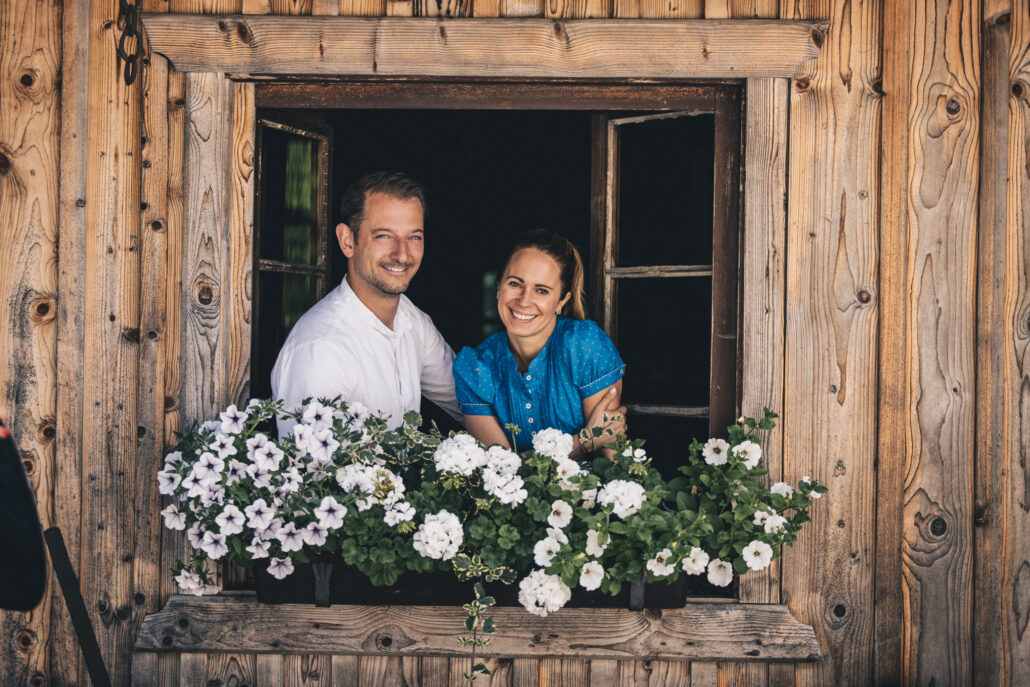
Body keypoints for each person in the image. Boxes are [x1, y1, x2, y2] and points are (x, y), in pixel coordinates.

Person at [271, 172, 462, 434]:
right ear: (347, 241)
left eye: (414, 237)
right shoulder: (322, 349)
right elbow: (312, 471)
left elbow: (468, 401)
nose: (402, 254)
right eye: (384, 236)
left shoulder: (412, 321)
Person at [454, 230, 627, 454]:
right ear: (499, 287)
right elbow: (500, 473)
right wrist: (584, 442)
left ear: (562, 301)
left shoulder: (584, 347)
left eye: (542, 290)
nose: (524, 301)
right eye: (515, 284)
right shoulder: (476, 367)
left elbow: (613, 462)